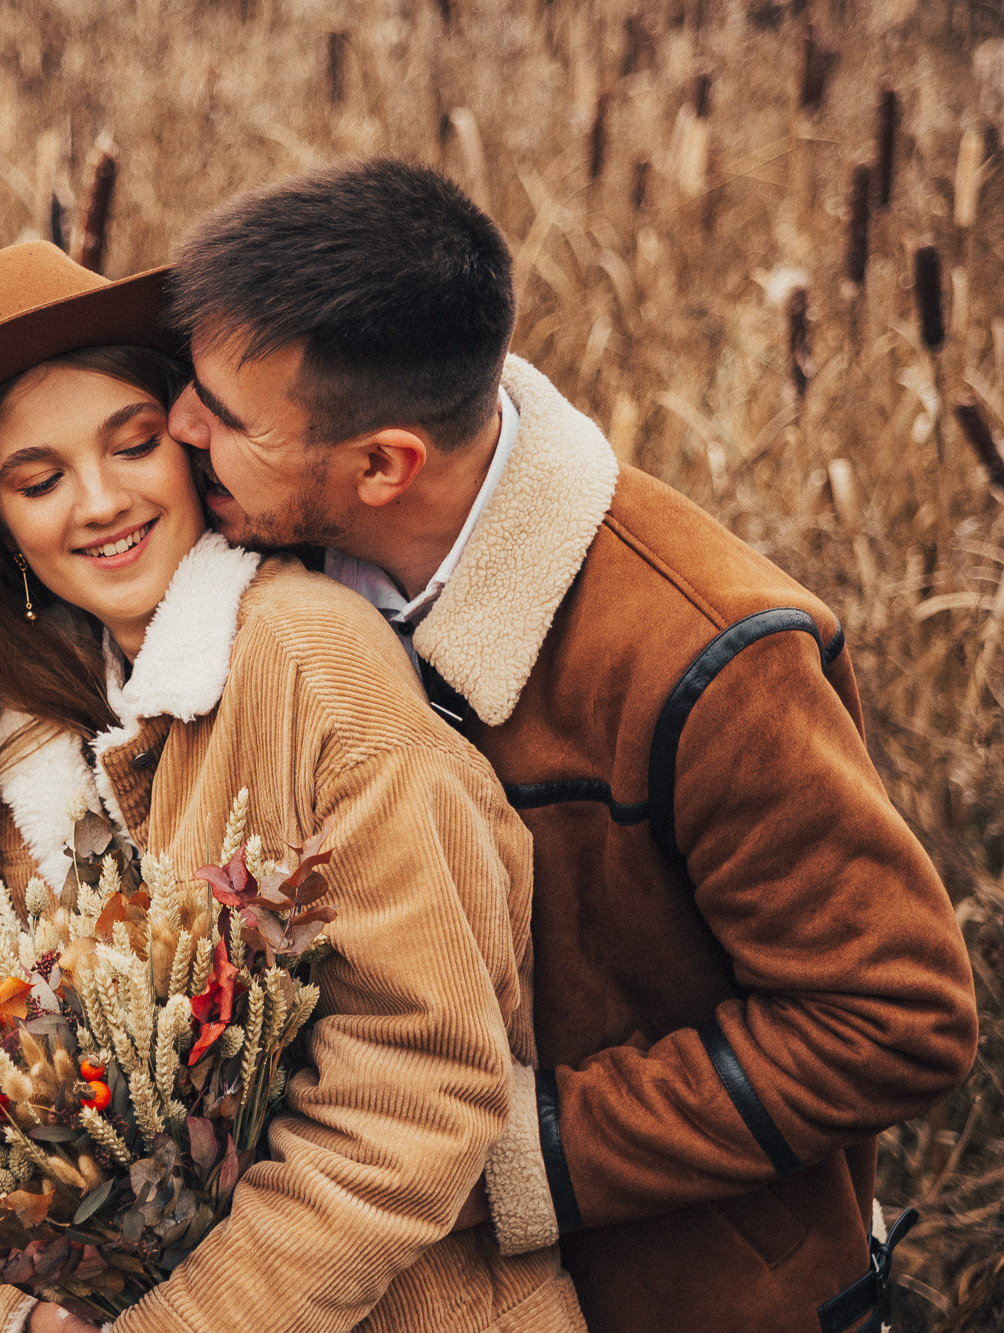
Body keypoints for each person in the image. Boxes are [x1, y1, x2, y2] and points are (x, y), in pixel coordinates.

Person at [160, 158, 979, 1333]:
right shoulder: (265, 579)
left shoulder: (706, 658)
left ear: (384, 462)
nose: (180, 425)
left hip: (686, 1301)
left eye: (224, 418)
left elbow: (889, 1019)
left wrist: (511, 1150)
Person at [0, 240, 584, 1333]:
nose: (100, 501)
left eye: (133, 443)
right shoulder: (38, 758)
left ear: (190, 444)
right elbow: (13, 1130)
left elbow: (411, 1093)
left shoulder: (310, 665)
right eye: (40, 477)